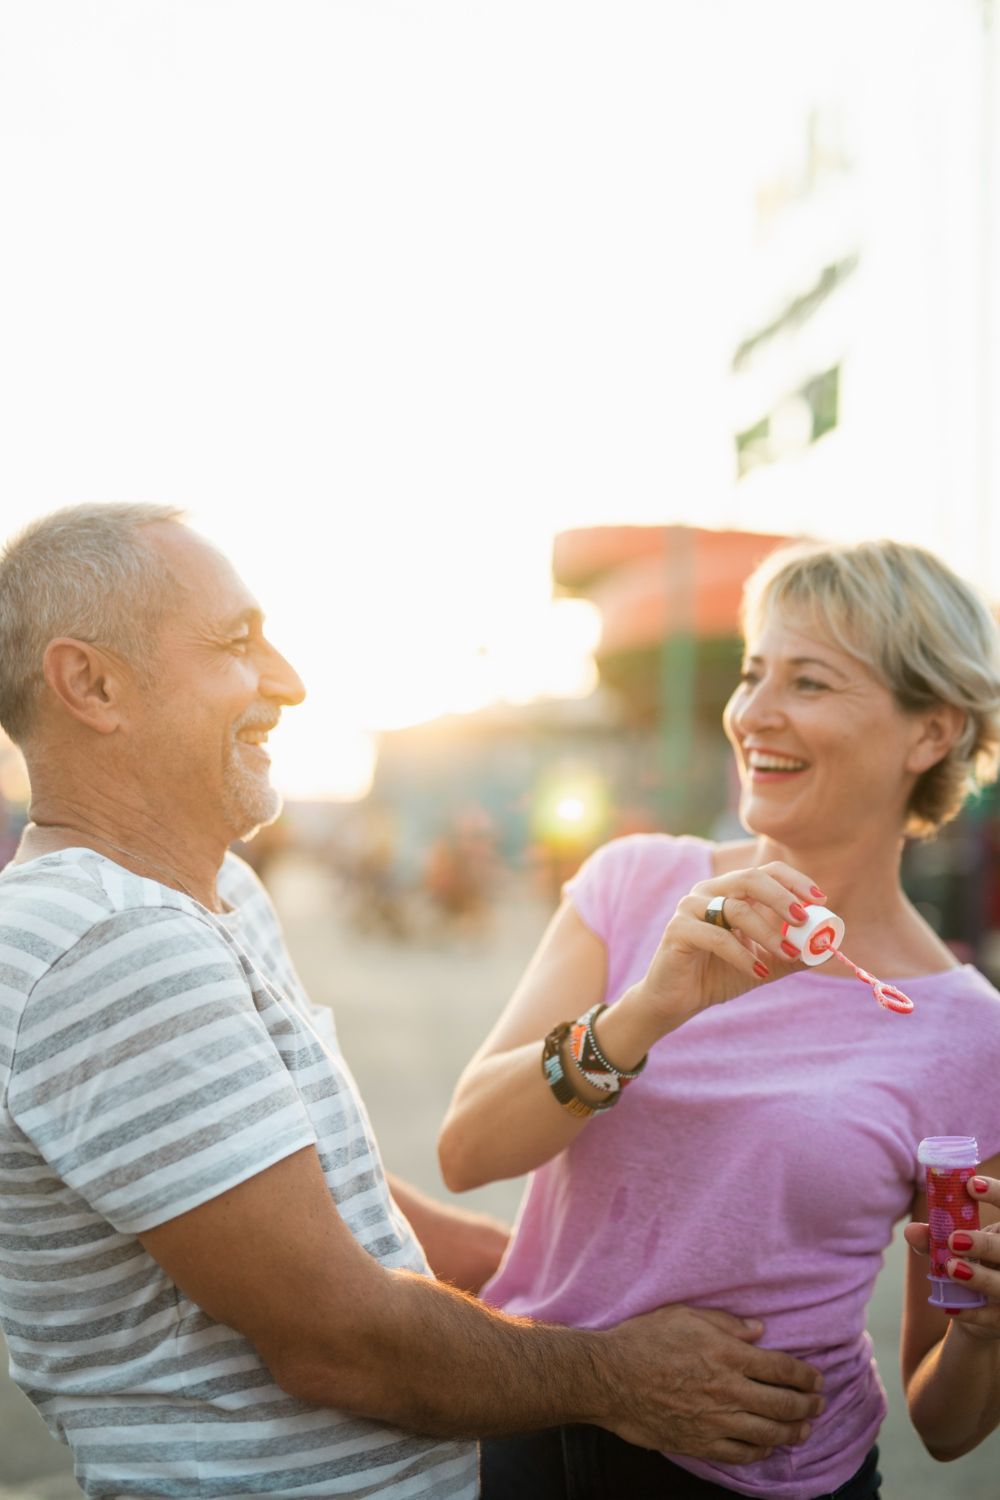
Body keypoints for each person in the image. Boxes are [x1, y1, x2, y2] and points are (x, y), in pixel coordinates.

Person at [0, 504, 826, 1500]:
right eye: (235, 644)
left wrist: (561, 1275)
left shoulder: (217, 897)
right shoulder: (112, 945)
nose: (289, 682)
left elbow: (312, 1195)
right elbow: (340, 1342)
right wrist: (620, 1376)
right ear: (92, 683)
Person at [440, 537, 1000, 1500]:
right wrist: (646, 1010)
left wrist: (991, 1327)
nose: (753, 713)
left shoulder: (970, 1035)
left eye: (810, 682)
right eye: (753, 673)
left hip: (767, 1480)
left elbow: (944, 1424)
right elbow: (468, 1151)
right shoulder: (632, 883)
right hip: (530, 1444)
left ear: (931, 732)